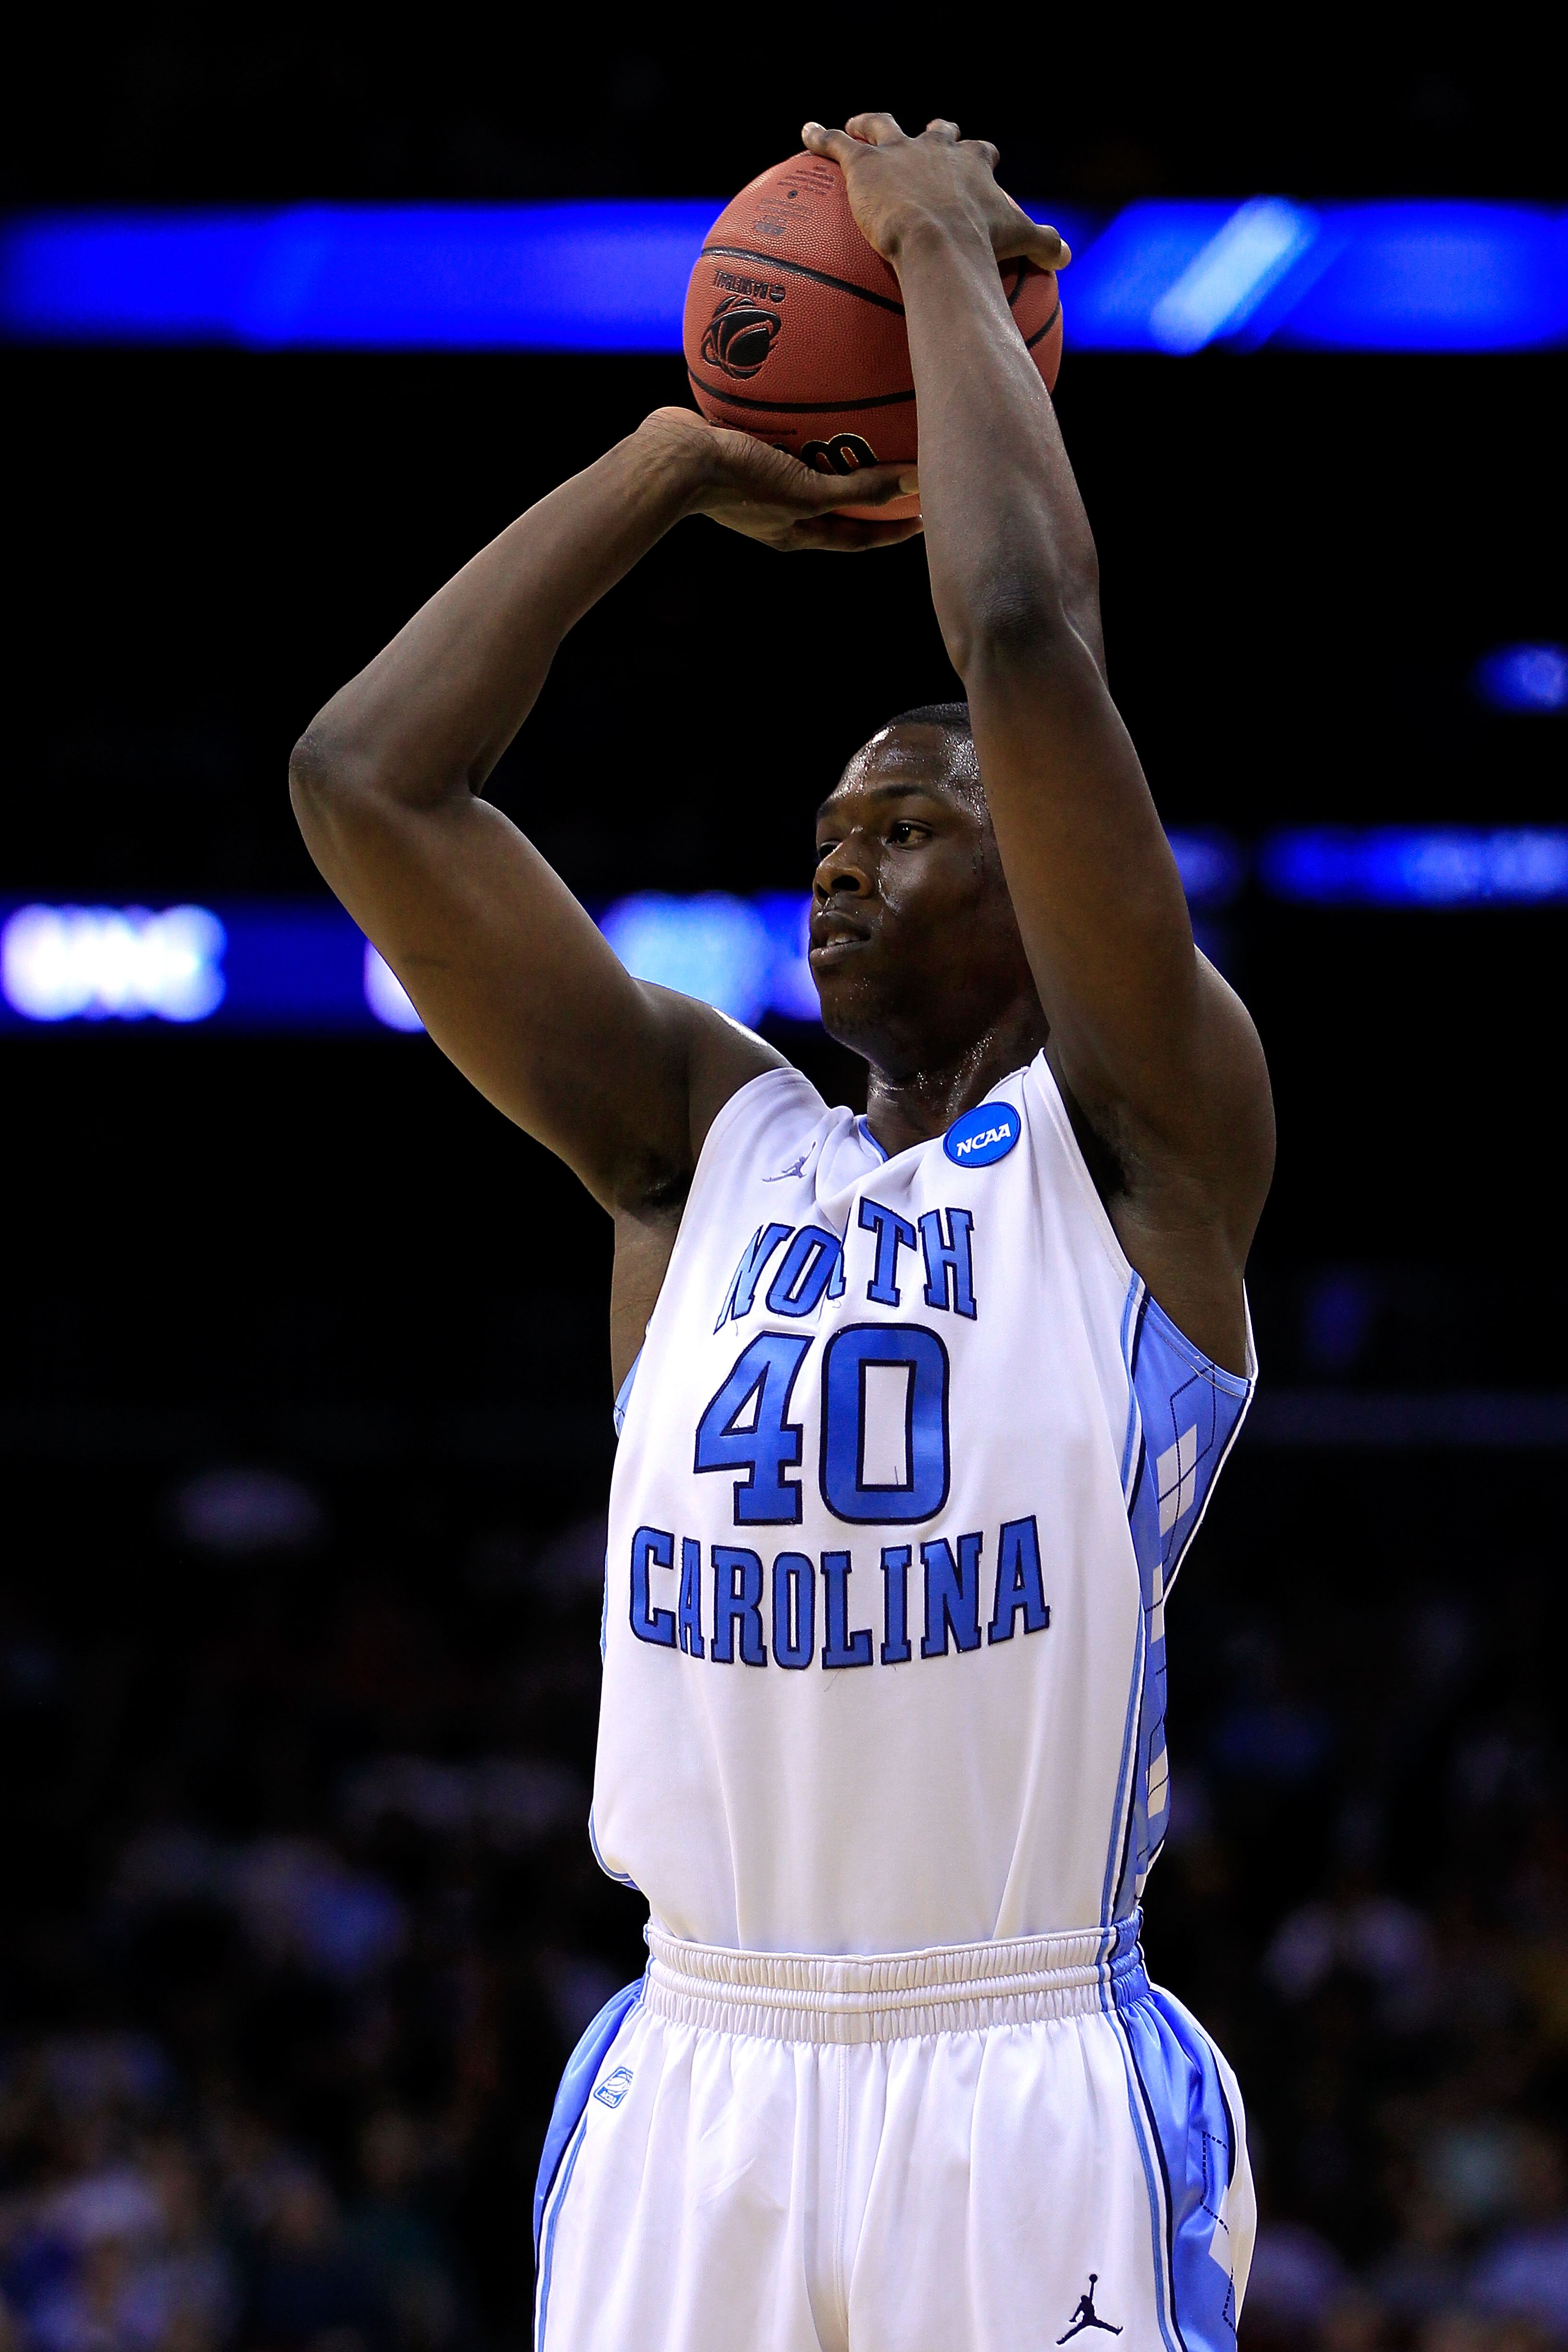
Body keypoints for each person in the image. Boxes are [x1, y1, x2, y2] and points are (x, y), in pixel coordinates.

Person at [290, 108, 1274, 2352]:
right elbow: (366, 784)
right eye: (825, 828)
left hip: (1020, 2072)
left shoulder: (1142, 1148)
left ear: (1047, 878)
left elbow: (1024, 634)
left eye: (910, 826)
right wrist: (669, 465)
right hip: (696, 2069)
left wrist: (931, 251)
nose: (838, 863)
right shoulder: (701, 1146)